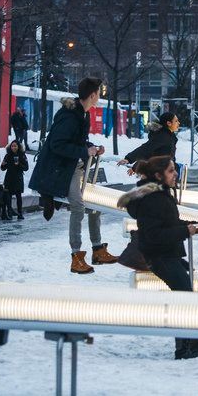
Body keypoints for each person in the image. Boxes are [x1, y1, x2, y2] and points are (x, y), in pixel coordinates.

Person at [118, 156, 198, 360]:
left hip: (165, 253)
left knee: (183, 298)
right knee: (185, 299)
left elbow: (168, 221)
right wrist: (186, 231)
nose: (175, 174)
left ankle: (188, 347)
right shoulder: (153, 198)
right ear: (158, 175)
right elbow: (155, 234)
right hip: (161, 255)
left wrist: (188, 225)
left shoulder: (159, 193)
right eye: (171, 171)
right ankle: (190, 347)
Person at [29, 77, 118, 274]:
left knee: (95, 206)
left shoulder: (81, 114)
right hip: (60, 170)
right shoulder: (70, 116)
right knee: (78, 207)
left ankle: (98, 250)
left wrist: (90, 147)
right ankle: (76, 256)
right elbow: (58, 145)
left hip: (72, 167)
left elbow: (76, 142)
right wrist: (85, 151)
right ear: (93, 94)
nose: (100, 97)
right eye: (99, 93)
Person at [1, 140, 29, 220]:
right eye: (12, 146)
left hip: (18, 178)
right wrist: (3, 165)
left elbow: (26, 168)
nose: (13, 147)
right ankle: (9, 212)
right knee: (8, 196)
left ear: (18, 147)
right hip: (9, 178)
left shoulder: (22, 155)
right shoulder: (8, 155)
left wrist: (18, 164)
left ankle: (20, 213)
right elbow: (3, 168)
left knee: (18, 196)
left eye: (15, 146)